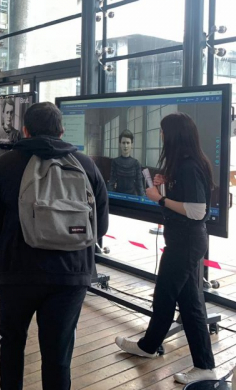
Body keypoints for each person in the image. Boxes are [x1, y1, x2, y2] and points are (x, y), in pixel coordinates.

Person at [0, 102, 109, 390]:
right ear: (62, 130)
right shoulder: (86, 165)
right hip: (71, 273)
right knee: (58, 354)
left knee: (11, 344)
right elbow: (100, 225)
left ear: (25, 130)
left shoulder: (6, 164)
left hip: (17, 271)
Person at [115, 113, 218, 385]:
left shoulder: (189, 166)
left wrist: (160, 199)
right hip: (186, 242)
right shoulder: (186, 163)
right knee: (190, 303)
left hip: (186, 243)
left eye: (162, 133)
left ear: (173, 136)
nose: (160, 137)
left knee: (165, 296)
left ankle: (149, 346)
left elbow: (197, 211)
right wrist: (166, 187)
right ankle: (202, 364)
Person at [108, 129, 145, 196]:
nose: (125, 146)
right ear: (120, 144)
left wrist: (143, 200)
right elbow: (111, 183)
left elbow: (140, 186)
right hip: (118, 196)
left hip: (132, 197)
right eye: (123, 143)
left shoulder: (136, 163)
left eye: (128, 143)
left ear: (132, 145)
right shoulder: (115, 162)